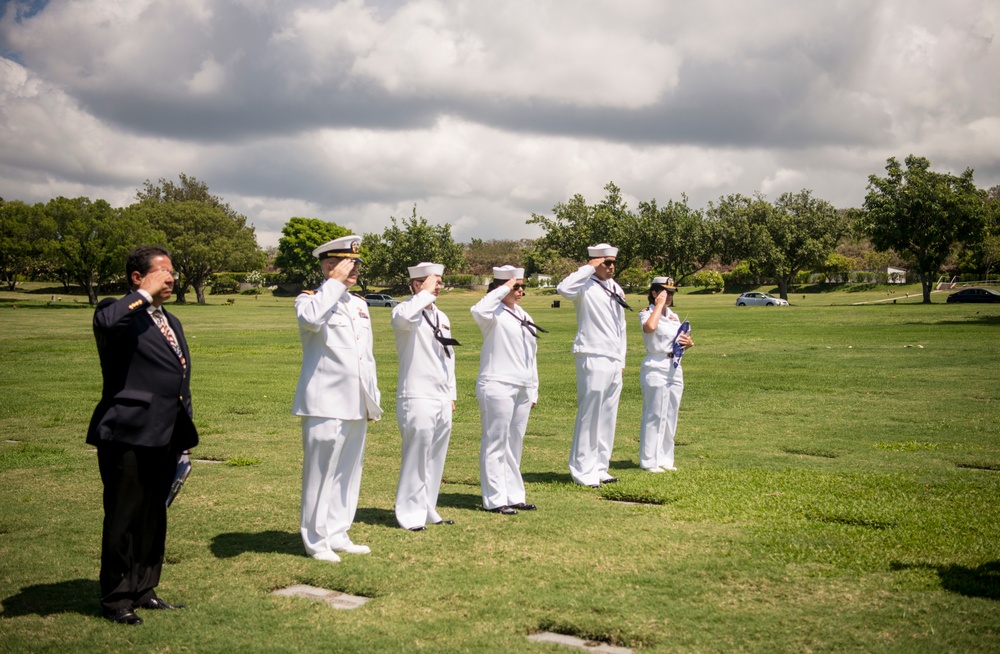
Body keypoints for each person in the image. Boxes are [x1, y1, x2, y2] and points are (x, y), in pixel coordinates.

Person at [88, 246, 198, 625]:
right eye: (162, 272)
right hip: (127, 433)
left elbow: (180, 379)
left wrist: (183, 434)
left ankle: (145, 589)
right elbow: (107, 324)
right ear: (138, 277)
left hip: (166, 434)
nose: (171, 278)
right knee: (124, 517)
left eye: (173, 273)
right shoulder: (116, 311)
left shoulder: (171, 319)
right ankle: (117, 598)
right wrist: (142, 296)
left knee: (153, 517)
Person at [292, 235, 382, 562]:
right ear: (330, 266)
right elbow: (311, 320)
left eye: (357, 263)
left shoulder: (358, 304)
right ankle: (315, 540)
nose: (356, 269)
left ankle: (338, 531)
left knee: (348, 471)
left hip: (355, 401)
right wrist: (332, 284)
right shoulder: (310, 300)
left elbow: (365, 357)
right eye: (350, 263)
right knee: (320, 474)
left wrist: (372, 399)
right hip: (324, 402)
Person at [470, 266, 543, 515]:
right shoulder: (492, 314)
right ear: (501, 287)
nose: (520, 291)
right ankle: (494, 499)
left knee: (514, 442)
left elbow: (531, 355)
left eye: (522, 286)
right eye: (516, 286)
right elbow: (477, 309)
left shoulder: (524, 315)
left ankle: (514, 495)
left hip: (521, 385)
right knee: (495, 441)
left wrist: (533, 388)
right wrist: (503, 288)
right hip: (497, 383)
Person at [392, 262, 458, 531]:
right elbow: (401, 318)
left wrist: (451, 393)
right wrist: (424, 294)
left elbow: (448, 358)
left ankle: (427, 508)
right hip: (416, 394)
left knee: (435, 457)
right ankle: (408, 513)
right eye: (433, 281)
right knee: (416, 455)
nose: (439, 286)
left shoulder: (442, 316)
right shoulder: (405, 311)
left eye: (440, 281)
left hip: (440, 395)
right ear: (417, 284)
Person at [556, 243, 629, 488]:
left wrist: (622, 359)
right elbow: (563, 289)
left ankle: (600, 467)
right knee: (590, 414)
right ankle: (581, 469)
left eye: (612, 263)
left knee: (608, 414)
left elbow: (622, 327)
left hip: (612, 357)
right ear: (595, 262)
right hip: (591, 353)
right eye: (606, 263)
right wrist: (587, 268)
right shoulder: (583, 284)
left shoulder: (616, 288)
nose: (611, 267)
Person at [638, 277, 693, 472]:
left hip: (674, 366)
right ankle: (649, 461)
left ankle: (665, 459)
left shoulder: (674, 316)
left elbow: (677, 338)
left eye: (671, 293)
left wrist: (688, 342)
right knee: (654, 415)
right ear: (654, 293)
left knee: (671, 415)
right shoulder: (647, 313)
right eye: (664, 292)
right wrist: (658, 305)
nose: (668, 296)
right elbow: (650, 328)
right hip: (655, 364)